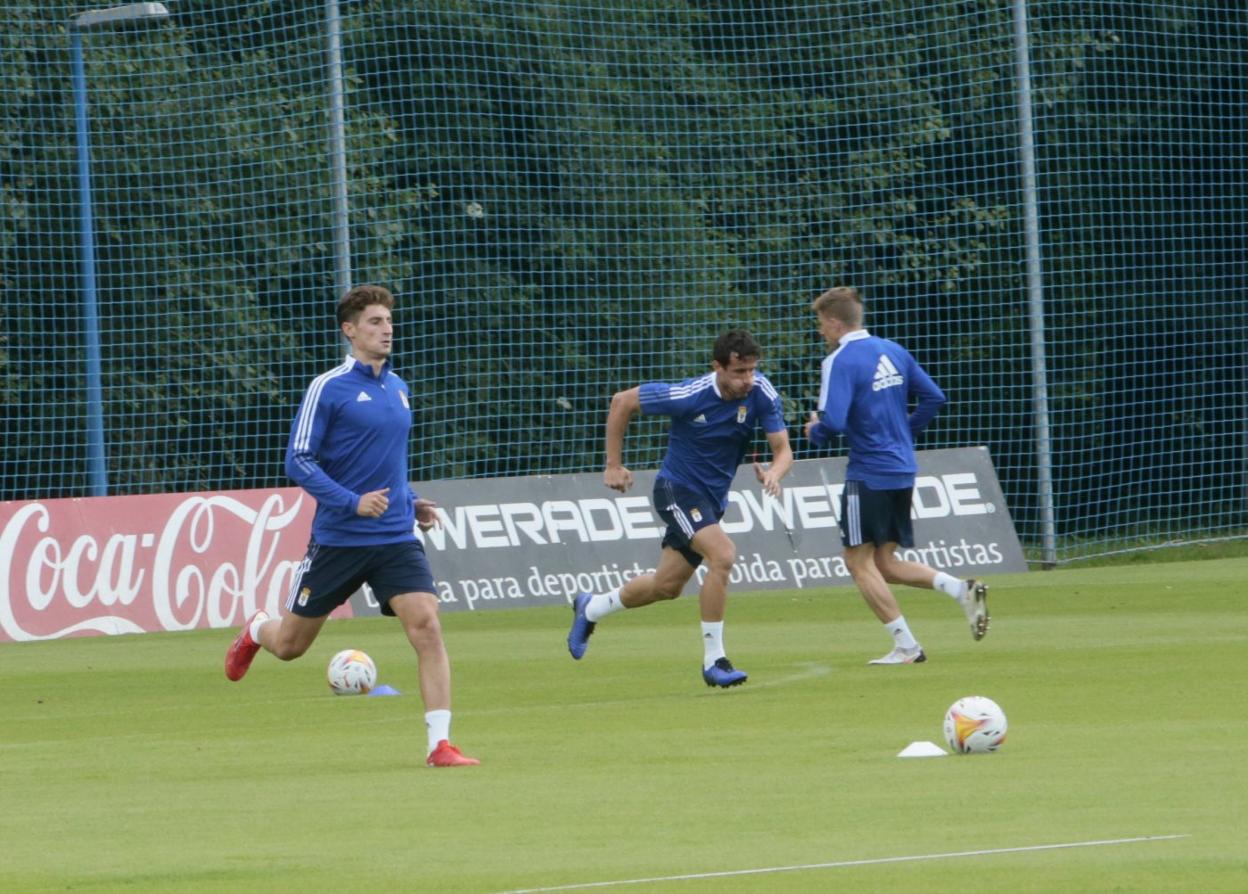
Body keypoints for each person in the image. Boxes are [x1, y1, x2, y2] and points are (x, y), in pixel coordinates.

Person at [224, 284, 478, 767]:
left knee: (427, 625)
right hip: (339, 539)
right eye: (375, 322)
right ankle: (257, 629)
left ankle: (440, 745)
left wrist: (410, 502)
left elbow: (388, 463)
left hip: (394, 536)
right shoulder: (328, 387)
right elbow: (298, 460)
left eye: (389, 321)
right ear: (350, 330)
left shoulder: (398, 387)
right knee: (291, 646)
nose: (387, 330)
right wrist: (351, 502)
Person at [567, 329, 794, 687]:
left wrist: (774, 474)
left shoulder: (761, 392)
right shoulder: (690, 395)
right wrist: (613, 465)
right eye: (739, 372)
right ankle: (715, 661)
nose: (748, 379)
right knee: (723, 554)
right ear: (718, 367)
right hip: (677, 490)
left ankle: (591, 607)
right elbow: (622, 402)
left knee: (666, 586)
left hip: (711, 502)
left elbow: (783, 450)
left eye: (752, 370)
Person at [803, 286, 988, 664]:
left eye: (821, 323)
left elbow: (833, 421)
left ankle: (907, 647)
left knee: (857, 561)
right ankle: (961, 589)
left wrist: (814, 432)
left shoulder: (840, 361)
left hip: (869, 473)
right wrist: (906, 430)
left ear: (835, 323)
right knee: (884, 564)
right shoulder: (894, 350)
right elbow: (934, 397)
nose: (820, 331)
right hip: (903, 469)